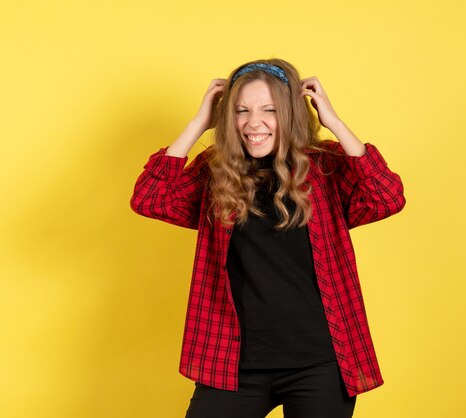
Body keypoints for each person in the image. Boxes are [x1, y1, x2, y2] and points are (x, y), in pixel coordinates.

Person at [130, 58, 405, 418]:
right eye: (241, 110)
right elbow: (149, 199)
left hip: (320, 363)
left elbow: (387, 197)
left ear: (291, 113)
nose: (253, 123)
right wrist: (198, 123)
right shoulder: (216, 172)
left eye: (269, 110)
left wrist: (334, 123)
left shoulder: (326, 167)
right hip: (233, 363)